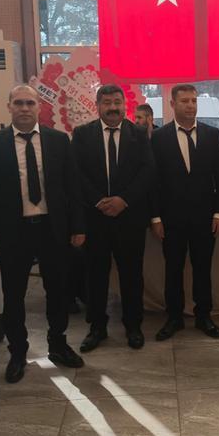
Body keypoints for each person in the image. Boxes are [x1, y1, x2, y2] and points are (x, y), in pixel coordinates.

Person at [0, 85, 86, 384]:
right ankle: (17, 352)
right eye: (19, 103)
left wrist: (78, 227)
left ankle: (58, 344)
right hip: (13, 231)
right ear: (9, 106)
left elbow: (73, 187)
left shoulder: (59, 141)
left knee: (58, 291)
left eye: (30, 103)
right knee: (13, 295)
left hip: (53, 228)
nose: (24, 108)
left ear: (39, 107)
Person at [73, 84, 154, 352]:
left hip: (129, 218)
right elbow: (76, 173)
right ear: (97, 106)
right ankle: (97, 327)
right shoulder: (82, 134)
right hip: (95, 218)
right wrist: (98, 200)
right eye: (107, 102)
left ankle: (133, 325)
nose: (112, 107)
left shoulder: (138, 133)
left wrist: (123, 200)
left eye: (117, 102)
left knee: (132, 274)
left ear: (124, 105)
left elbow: (147, 171)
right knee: (95, 275)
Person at [151, 84, 219, 341]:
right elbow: (154, 182)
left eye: (194, 100)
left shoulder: (211, 134)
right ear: (173, 104)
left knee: (202, 269)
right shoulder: (158, 138)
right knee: (173, 270)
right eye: (184, 101)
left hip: (205, 218)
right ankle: (174, 317)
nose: (190, 105)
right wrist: (156, 217)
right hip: (171, 219)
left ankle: (203, 315)